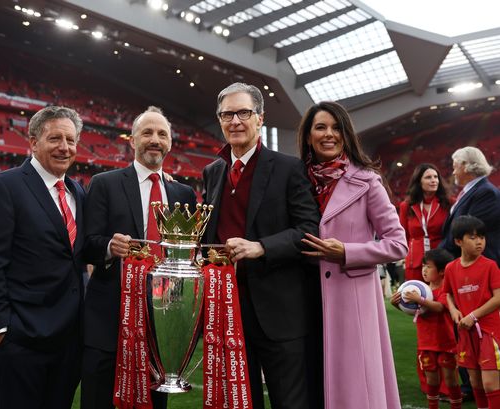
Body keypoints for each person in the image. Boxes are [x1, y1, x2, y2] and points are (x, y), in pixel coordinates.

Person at [202, 83, 320, 409]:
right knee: (240, 403)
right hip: (227, 311)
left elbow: (308, 230)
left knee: (291, 402)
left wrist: (262, 247)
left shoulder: (289, 168)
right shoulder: (212, 172)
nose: (235, 121)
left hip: (280, 312)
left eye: (244, 112)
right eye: (227, 114)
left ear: (260, 118)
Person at [82, 106, 196, 409]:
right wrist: (109, 246)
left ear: (170, 142)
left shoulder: (183, 194)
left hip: (162, 322)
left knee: (154, 403)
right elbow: (86, 244)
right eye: (147, 132)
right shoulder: (105, 183)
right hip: (109, 319)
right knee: (98, 399)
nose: (155, 139)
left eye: (162, 134)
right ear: (132, 140)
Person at [297, 101, 408, 409]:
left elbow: (398, 243)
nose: (328, 134)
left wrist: (346, 251)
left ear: (347, 136)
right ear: (308, 136)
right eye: (320, 127)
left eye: (337, 128)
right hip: (305, 299)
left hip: (352, 302)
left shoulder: (368, 181)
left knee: (356, 391)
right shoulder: (296, 181)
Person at [0, 106, 85, 409]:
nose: (65, 147)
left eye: (71, 140)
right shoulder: (5, 186)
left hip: (69, 340)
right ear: (33, 142)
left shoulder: (78, 192)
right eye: (55, 138)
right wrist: (0, 330)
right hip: (21, 340)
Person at [390, 248, 462, 409]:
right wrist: (398, 305)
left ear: (443, 271)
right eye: (423, 266)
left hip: (446, 344)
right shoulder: (421, 289)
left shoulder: (445, 290)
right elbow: (417, 313)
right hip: (426, 343)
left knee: (450, 379)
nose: (424, 270)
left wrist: (419, 299)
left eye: (428, 266)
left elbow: (438, 308)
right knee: (431, 380)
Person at [444, 215, 500, 409]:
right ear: (458, 241)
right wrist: (453, 310)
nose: (479, 242)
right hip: (466, 333)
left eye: (482, 237)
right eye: (473, 237)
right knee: (475, 382)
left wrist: (473, 315)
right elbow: (447, 294)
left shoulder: (490, 266)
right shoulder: (451, 268)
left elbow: (498, 298)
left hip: (488, 332)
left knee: (490, 383)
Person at [440, 146, 500, 264]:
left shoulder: (486, 193)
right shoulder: (473, 191)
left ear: (465, 166)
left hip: (478, 265)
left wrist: (438, 254)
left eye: (455, 167)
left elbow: (467, 233)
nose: (453, 172)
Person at [399, 164, 451, 282]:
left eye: (435, 177)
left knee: (441, 297)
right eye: (428, 177)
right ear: (419, 182)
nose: (433, 180)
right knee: (416, 296)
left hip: (441, 261)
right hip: (416, 263)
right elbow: (403, 236)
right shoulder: (406, 206)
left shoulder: (448, 203)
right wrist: (406, 258)